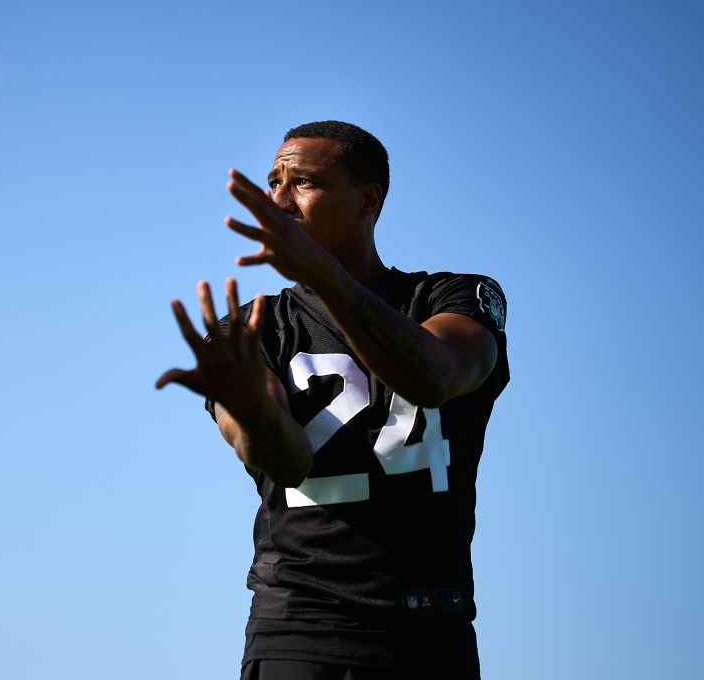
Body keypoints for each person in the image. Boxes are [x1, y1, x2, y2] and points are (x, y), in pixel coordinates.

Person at [156, 121, 509, 680]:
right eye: (273, 182)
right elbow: (288, 461)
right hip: (299, 626)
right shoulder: (252, 328)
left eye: (302, 182)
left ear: (369, 199)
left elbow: (433, 377)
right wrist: (249, 408)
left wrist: (323, 276)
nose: (278, 201)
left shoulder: (453, 297)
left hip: (429, 627)